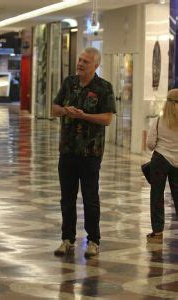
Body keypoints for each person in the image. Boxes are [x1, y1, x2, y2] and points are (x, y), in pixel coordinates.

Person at [52, 47, 116, 258]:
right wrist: (64, 111)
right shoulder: (69, 83)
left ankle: (93, 241)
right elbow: (54, 108)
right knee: (67, 198)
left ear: (95, 65)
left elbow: (107, 118)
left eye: (85, 62)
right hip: (67, 150)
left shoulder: (104, 88)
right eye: (79, 60)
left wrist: (83, 115)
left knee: (90, 197)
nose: (80, 64)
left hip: (91, 153)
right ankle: (67, 239)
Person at [146, 89, 178, 243]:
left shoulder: (158, 121)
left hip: (160, 160)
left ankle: (157, 231)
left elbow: (150, 145)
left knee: (157, 195)